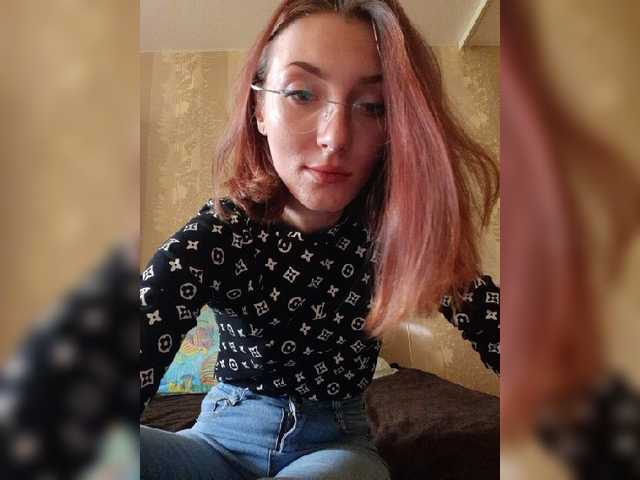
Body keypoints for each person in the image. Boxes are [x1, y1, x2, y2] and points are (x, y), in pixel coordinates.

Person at [140, 1, 500, 479]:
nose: (335, 137)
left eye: (373, 106)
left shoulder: (397, 235)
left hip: (335, 446)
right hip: (217, 442)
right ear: (259, 110)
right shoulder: (221, 233)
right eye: (301, 94)